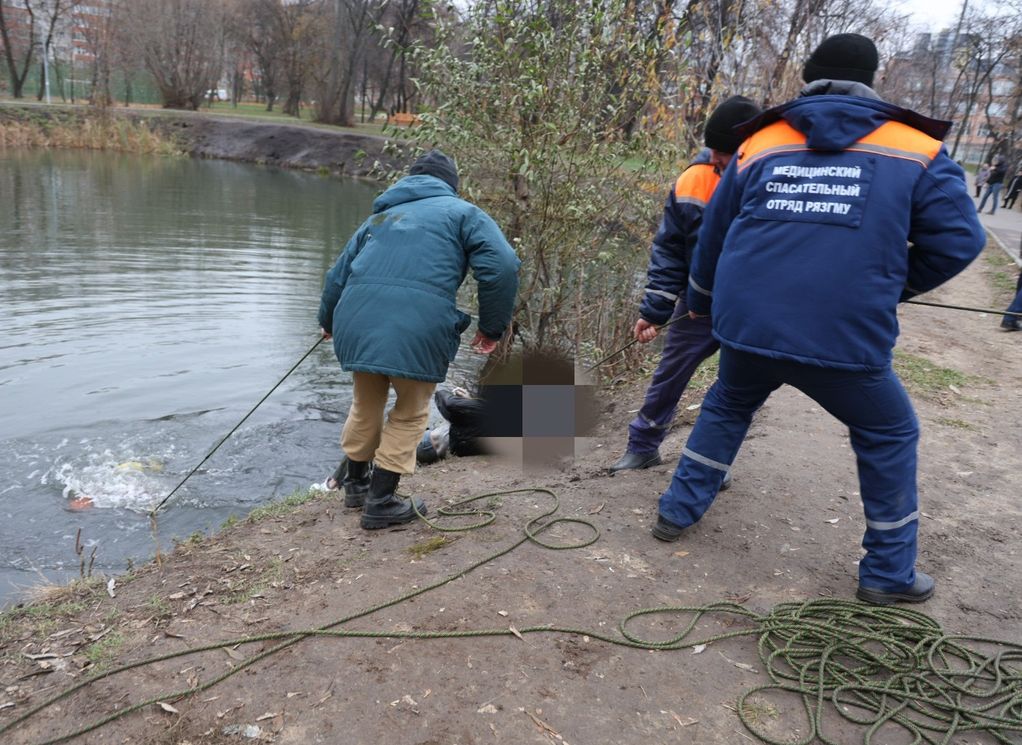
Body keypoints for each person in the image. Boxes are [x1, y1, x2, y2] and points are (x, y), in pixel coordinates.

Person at [651, 33, 985, 606]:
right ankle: (887, 573)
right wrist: (894, 284)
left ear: (806, 77)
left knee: (729, 404)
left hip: (749, 325)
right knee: (889, 431)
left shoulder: (760, 141)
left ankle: (675, 513)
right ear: (872, 81)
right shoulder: (915, 147)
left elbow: (713, 239)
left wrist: (701, 302)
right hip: (846, 337)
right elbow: (959, 240)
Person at [318, 149, 520, 529]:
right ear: (450, 185)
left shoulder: (379, 217)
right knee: (410, 412)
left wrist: (327, 321)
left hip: (357, 321)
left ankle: (356, 487)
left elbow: (336, 275)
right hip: (419, 326)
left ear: (410, 181)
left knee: (365, 404)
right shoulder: (464, 214)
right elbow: (503, 265)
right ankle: (381, 502)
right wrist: (492, 328)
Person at [609, 96, 762, 477]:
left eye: (723, 153)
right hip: (696, 305)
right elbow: (670, 248)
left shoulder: (773, 179)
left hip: (751, 310)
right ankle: (643, 446)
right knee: (669, 373)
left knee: (736, 387)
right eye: (712, 150)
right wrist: (654, 311)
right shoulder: (693, 178)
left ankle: (714, 460)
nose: (714, 160)